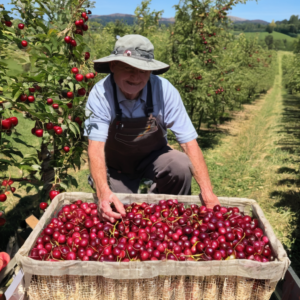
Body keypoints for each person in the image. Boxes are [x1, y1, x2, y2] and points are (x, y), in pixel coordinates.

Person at [84, 34, 220, 223]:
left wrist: (208, 192)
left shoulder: (164, 91)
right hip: (116, 167)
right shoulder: (100, 94)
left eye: (142, 70)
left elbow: (189, 143)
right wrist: (103, 192)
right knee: (122, 215)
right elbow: (96, 148)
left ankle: (174, 221)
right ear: (113, 66)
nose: (135, 76)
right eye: (128, 68)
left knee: (180, 164)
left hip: (153, 160)